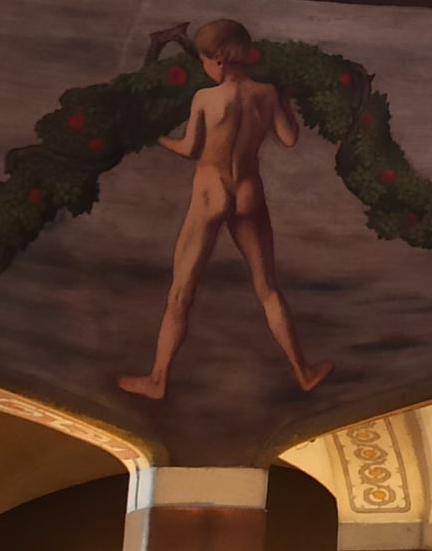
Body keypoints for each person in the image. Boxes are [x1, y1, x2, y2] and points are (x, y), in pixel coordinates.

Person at [117, 20, 331, 400]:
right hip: (249, 190)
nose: (204, 69)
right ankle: (303, 371)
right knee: (268, 288)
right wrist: (283, 101)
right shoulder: (266, 93)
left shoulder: (205, 98)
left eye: (203, 61)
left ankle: (158, 379)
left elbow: (190, 150)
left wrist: (156, 137)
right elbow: (288, 138)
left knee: (180, 293)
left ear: (218, 59)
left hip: (211, 191)